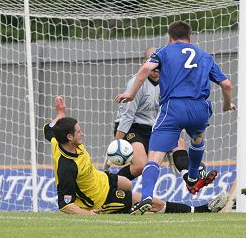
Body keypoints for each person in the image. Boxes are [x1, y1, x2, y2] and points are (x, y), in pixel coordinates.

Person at [114, 21, 235, 215]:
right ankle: (193, 176)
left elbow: (145, 69)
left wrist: (130, 94)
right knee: (196, 140)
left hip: (173, 107)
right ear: (191, 37)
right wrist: (227, 103)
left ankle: (146, 196)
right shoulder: (204, 55)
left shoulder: (165, 51)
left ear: (170, 38)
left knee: (154, 157)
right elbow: (226, 84)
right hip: (199, 107)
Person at [43, 95, 229, 215]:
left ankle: (134, 206)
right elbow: (64, 204)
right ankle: (199, 210)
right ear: (69, 137)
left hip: (102, 180)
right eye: (78, 132)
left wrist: (60, 113)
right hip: (101, 199)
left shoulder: (57, 140)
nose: (81, 134)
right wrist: (87, 214)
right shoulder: (67, 167)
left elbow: (48, 130)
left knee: (126, 183)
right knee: (148, 202)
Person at [113, 47, 206, 182]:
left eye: (159, 66)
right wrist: (117, 143)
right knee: (140, 166)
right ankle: (111, 186)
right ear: (144, 63)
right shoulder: (137, 83)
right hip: (132, 128)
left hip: (156, 128)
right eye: (152, 65)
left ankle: (190, 178)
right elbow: (128, 116)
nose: (156, 70)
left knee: (179, 142)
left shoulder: (169, 82)